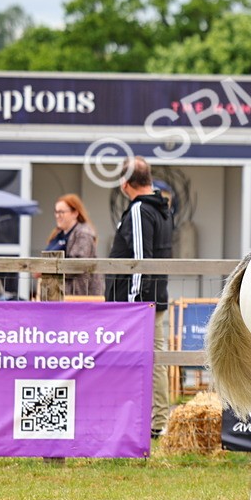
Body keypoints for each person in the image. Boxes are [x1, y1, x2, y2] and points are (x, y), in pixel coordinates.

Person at [106, 157, 174, 437]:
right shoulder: (163, 209)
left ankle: (144, 420)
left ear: (125, 184)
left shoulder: (139, 210)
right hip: (155, 297)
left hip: (137, 302)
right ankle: (158, 421)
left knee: (133, 361)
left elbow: (140, 260)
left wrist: (135, 303)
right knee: (155, 360)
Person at [44, 193, 104, 297]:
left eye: (61, 212)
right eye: (56, 212)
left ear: (75, 213)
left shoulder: (83, 234)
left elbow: (77, 265)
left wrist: (47, 270)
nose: (57, 216)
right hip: (57, 294)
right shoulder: (58, 235)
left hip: (80, 296)